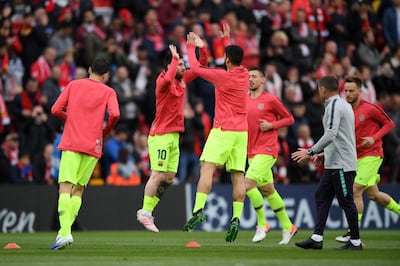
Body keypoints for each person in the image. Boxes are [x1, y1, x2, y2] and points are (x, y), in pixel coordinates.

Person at [182, 26, 249, 243]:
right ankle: (236, 218)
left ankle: (198, 210)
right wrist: (226, 39)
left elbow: (195, 67)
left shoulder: (222, 77)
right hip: (242, 133)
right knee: (238, 176)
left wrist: (191, 46)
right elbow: (230, 59)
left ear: (227, 60)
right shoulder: (245, 73)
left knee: (208, 168)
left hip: (223, 130)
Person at [136, 40, 208, 232]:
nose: (184, 67)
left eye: (184, 64)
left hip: (175, 136)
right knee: (157, 174)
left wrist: (198, 48)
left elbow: (201, 68)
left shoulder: (182, 80)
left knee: (169, 178)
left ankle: (148, 210)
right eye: (180, 64)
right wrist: (175, 59)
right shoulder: (162, 80)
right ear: (170, 65)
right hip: (160, 135)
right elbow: (168, 80)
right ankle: (145, 211)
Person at [49, 58, 120, 250]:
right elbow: (115, 114)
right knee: (78, 189)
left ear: (89, 69)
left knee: (65, 187)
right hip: (93, 145)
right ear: (106, 75)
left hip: (72, 142)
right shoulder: (109, 91)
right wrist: (105, 130)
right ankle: (64, 232)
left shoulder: (73, 85)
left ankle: (65, 233)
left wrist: (69, 118)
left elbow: (55, 109)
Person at [291, 75, 362, 250]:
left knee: (346, 201)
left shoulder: (334, 106)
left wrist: (310, 151)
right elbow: (341, 136)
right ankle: (317, 238)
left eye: (319, 89)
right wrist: (324, 153)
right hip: (334, 162)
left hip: (341, 164)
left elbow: (331, 134)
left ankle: (355, 241)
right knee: (321, 196)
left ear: (323, 89)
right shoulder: (344, 105)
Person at [335, 76, 400, 243]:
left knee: (355, 189)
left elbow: (389, 124)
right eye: (346, 91)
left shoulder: (370, 109)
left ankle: (353, 233)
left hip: (372, 154)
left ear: (359, 91)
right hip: (355, 157)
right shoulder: (344, 110)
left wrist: (374, 137)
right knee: (374, 195)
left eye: (351, 91)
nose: (348, 94)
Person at [245, 67, 297, 244]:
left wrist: (272, 125)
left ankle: (262, 223)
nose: (250, 79)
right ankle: (288, 226)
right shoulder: (243, 99)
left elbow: (290, 119)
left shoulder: (271, 100)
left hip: (267, 150)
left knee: (248, 184)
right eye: (249, 76)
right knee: (268, 190)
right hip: (250, 151)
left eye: (254, 76)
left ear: (262, 80)